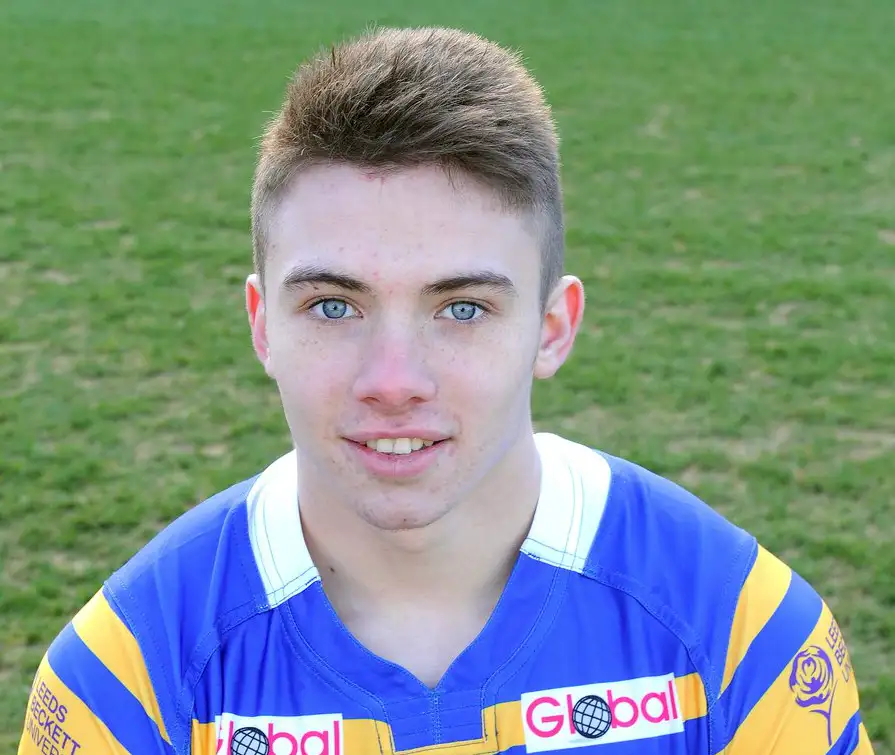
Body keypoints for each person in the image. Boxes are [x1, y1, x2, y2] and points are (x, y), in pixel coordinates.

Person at [18, 26, 873, 755]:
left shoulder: (739, 631)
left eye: (462, 307)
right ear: (261, 324)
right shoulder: (126, 677)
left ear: (552, 326)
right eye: (333, 305)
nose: (393, 382)